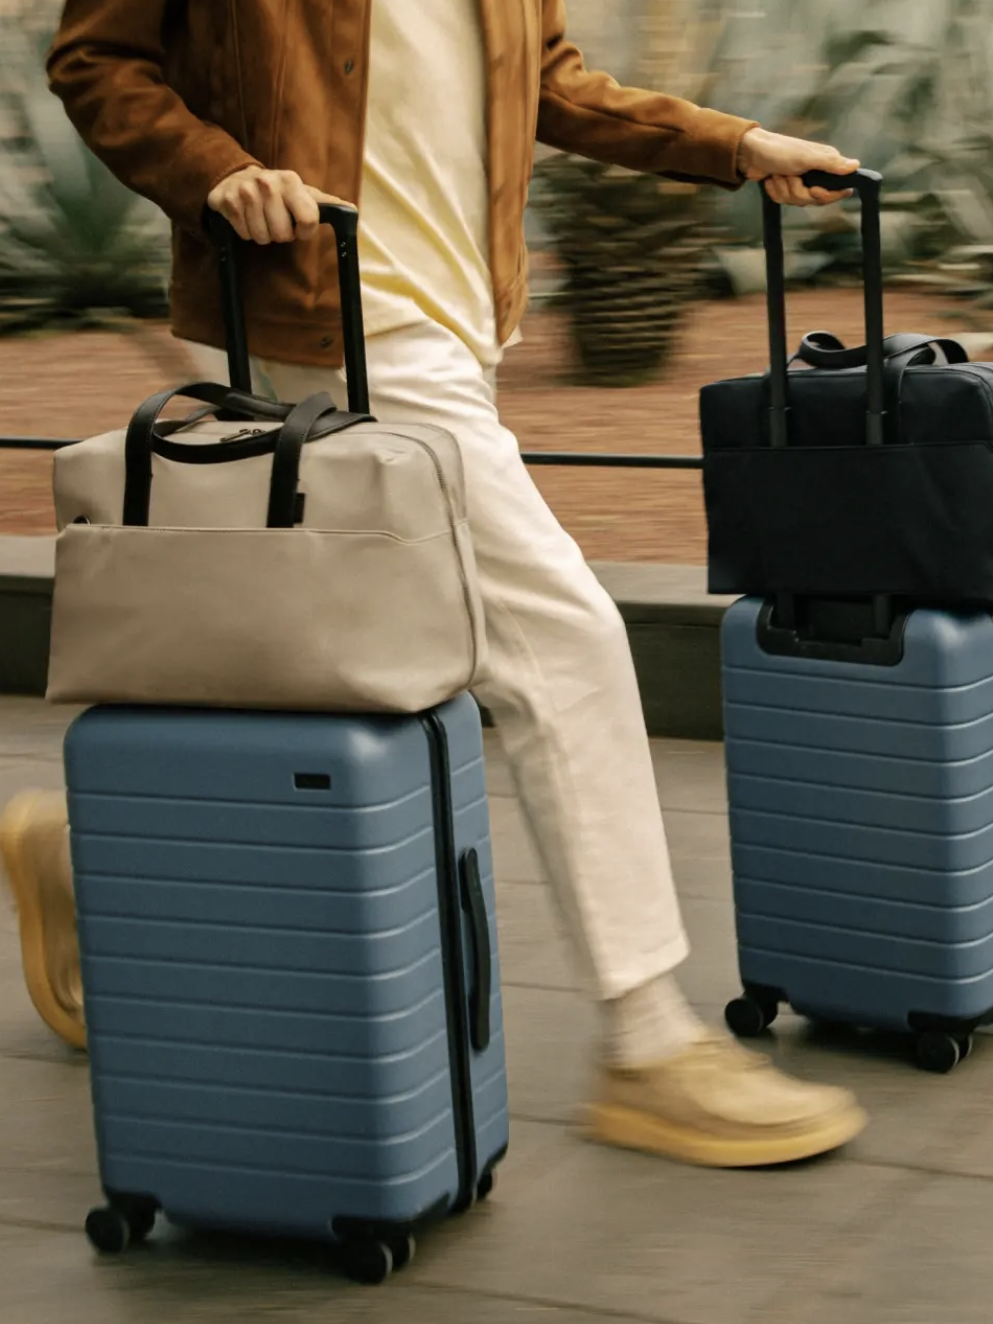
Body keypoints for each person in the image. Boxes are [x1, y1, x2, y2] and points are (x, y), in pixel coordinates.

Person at [1, 0, 868, 1167]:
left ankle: (90, 858)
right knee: (562, 637)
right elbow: (100, 57)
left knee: (341, 663)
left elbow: (548, 82)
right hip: (320, 310)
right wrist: (220, 173)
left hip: (455, 325)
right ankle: (650, 1042)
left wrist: (733, 144)